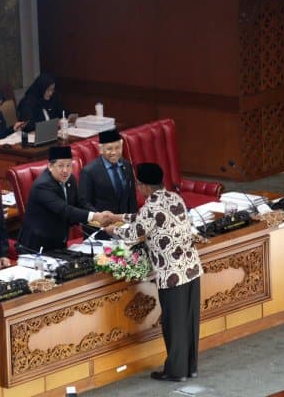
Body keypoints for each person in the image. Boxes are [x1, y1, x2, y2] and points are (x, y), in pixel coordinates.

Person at [104, 163, 202, 382]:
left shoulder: (151, 206)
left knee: (174, 323)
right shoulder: (173, 198)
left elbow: (135, 232)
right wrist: (118, 215)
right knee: (188, 320)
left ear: (144, 186)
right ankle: (190, 366)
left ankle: (176, 372)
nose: (138, 188)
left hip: (172, 274)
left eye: (138, 185)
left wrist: (113, 228)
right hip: (191, 268)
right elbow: (144, 218)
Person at [17, 146, 111, 252]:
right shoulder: (43, 185)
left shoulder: (70, 179)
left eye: (69, 165)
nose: (65, 170)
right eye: (60, 166)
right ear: (50, 166)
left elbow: (79, 203)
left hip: (58, 242)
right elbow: (64, 209)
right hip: (36, 246)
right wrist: (95, 216)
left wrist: (99, 215)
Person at [79, 129, 137, 218]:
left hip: (125, 222)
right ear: (101, 150)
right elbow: (84, 203)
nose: (114, 152)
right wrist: (100, 218)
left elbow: (132, 197)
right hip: (102, 225)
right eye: (109, 149)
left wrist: (133, 220)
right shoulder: (89, 171)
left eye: (117, 148)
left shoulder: (127, 165)